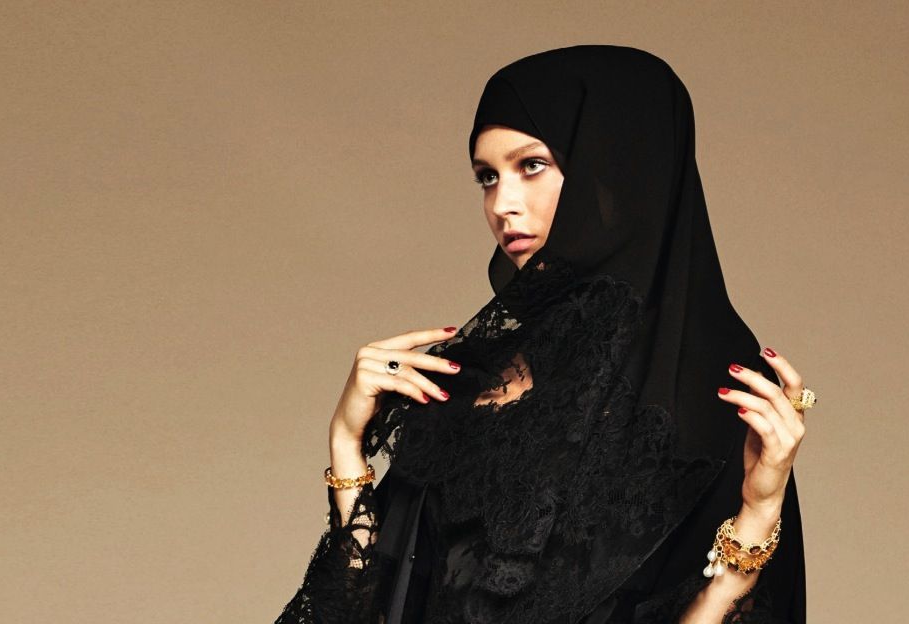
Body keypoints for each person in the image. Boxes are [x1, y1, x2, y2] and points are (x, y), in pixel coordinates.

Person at [274, 44, 817, 623]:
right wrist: (346, 445)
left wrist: (759, 513)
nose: (502, 204)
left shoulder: (721, 391)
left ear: (618, 168)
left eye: (531, 165)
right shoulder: (468, 384)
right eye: (487, 177)